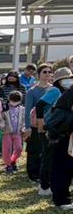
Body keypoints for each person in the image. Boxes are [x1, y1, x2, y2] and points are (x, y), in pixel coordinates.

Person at [33, 67, 70, 197]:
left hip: (60, 129)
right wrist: (41, 123)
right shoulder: (55, 91)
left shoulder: (67, 92)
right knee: (48, 157)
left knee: (56, 158)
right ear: (59, 81)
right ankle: (44, 186)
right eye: (65, 79)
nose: (69, 81)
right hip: (50, 128)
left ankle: (51, 183)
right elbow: (39, 105)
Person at [23, 63, 54, 183]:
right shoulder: (32, 91)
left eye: (49, 72)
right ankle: (33, 174)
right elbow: (27, 110)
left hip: (51, 124)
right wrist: (27, 127)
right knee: (34, 150)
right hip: (35, 124)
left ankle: (44, 174)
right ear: (39, 74)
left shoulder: (54, 90)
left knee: (47, 150)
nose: (47, 74)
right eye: (44, 72)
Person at [47, 70, 73, 210]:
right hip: (65, 136)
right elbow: (59, 117)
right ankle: (62, 200)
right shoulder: (68, 95)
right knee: (63, 169)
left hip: (65, 135)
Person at [0, 91, 24, 174]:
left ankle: (13, 160)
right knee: (7, 149)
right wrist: (1, 124)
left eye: (16, 101)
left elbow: (24, 119)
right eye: (12, 101)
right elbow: (0, 118)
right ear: (9, 99)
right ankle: (8, 164)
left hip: (18, 132)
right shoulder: (5, 108)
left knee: (19, 148)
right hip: (7, 132)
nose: (14, 102)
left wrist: (24, 128)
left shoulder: (22, 109)